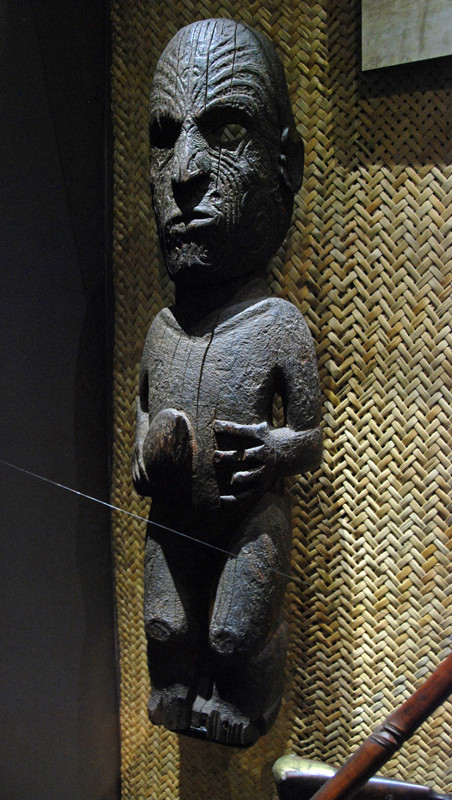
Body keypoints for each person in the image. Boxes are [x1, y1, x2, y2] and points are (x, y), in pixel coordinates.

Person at [132, 18, 322, 746]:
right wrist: (151, 453)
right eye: (164, 134)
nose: (184, 172)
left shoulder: (278, 328)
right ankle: (178, 686)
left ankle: (248, 698)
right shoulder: (159, 332)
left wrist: (275, 449)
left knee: (238, 637)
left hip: (250, 523)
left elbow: (309, 440)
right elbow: (139, 429)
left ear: (287, 166)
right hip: (174, 522)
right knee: (163, 625)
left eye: (226, 131)